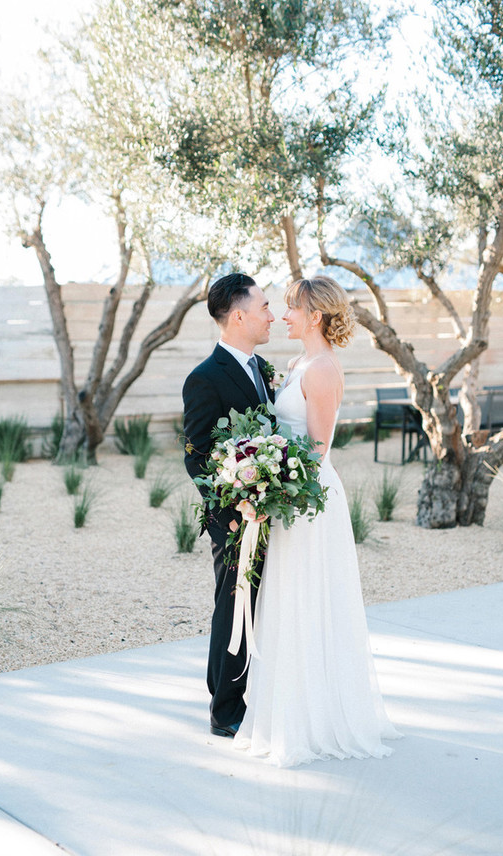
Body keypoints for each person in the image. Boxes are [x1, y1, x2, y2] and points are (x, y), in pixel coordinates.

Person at [234, 275, 402, 766]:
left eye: (291, 308)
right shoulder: (296, 363)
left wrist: (269, 481)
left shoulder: (323, 368)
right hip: (288, 497)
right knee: (288, 598)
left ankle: (315, 720)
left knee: (308, 598)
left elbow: (317, 448)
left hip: (308, 498)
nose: (283, 315)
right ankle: (284, 711)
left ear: (316, 316)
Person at [182, 272, 275, 738]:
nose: (271, 315)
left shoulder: (264, 370)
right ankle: (225, 711)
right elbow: (196, 453)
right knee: (235, 607)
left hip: (267, 510)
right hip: (234, 518)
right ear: (237, 316)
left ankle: (224, 688)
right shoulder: (203, 378)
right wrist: (235, 505)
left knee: (249, 606)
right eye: (263, 307)